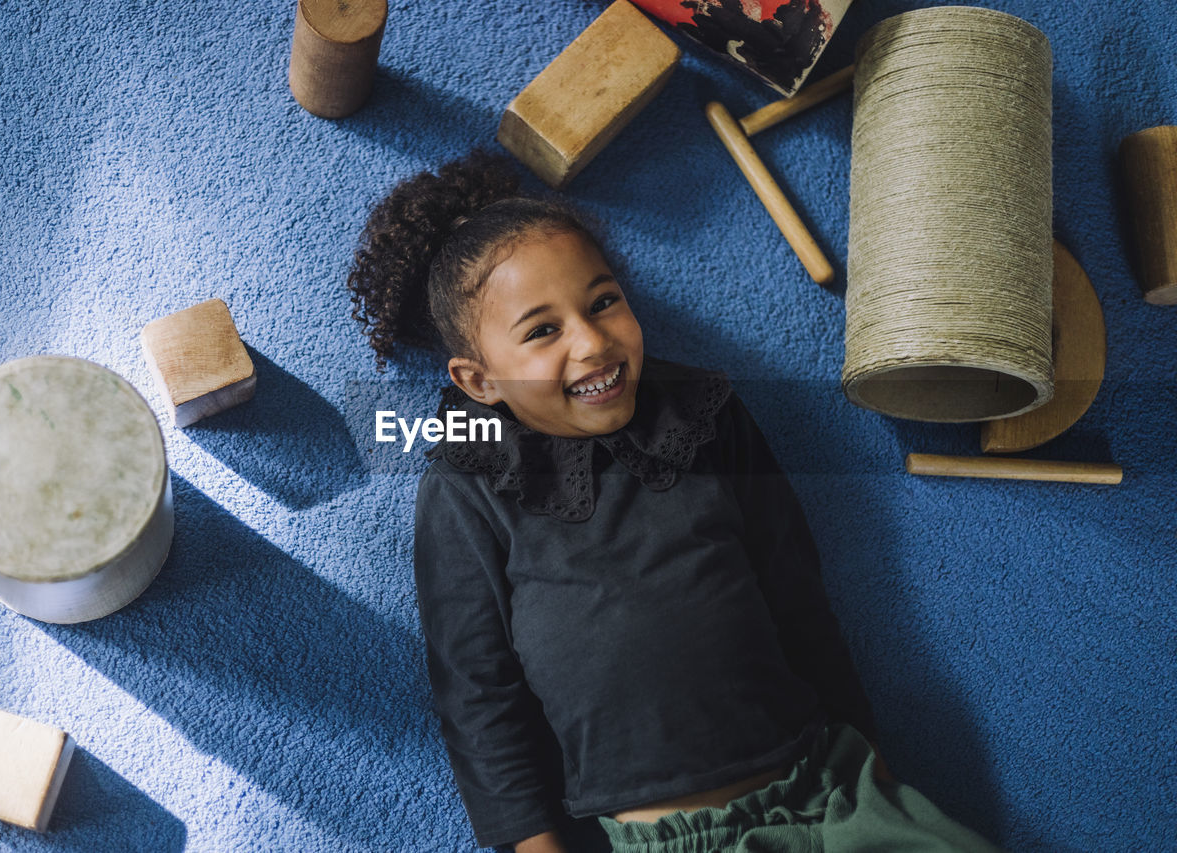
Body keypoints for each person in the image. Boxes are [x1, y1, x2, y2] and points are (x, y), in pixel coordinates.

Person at [347, 150, 1002, 853]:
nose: (593, 342)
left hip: (834, 788)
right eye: (542, 330)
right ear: (479, 380)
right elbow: (476, 696)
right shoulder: (465, 483)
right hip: (675, 838)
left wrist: (869, 755)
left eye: (603, 302)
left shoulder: (704, 415)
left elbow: (797, 591)